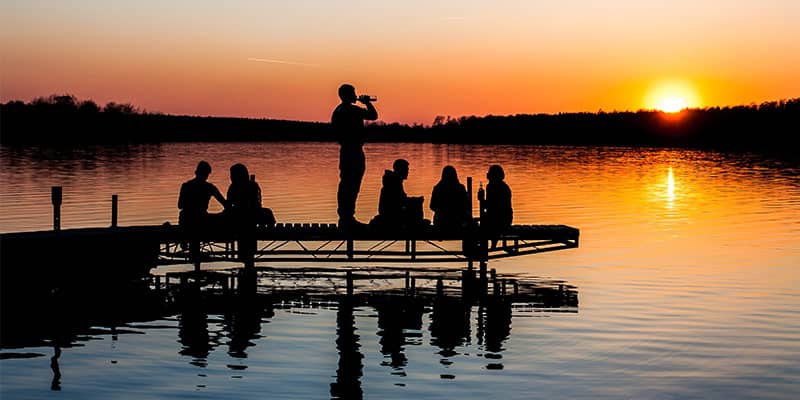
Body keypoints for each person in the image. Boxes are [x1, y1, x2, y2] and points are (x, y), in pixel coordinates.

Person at [331, 83, 378, 230]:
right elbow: (373, 115)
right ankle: (347, 219)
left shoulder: (338, 111)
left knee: (346, 184)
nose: (355, 95)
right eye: (353, 93)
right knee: (351, 185)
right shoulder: (351, 110)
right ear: (346, 95)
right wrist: (367, 103)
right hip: (353, 151)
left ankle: (345, 218)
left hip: (346, 151)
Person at [371, 159, 425, 229]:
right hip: (391, 215)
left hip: (391, 212)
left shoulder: (395, 181)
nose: (408, 172)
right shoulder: (394, 183)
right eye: (406, 169)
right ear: (400, 170)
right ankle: (417, 225)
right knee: (416, 204)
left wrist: (414, 200)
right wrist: (415, 201)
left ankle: (417, 223)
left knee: (416, 202)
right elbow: (400, 202)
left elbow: (401, 200)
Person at [178, 160, 227, 229]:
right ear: (206, 175)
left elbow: (180, 206)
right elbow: (225, 204)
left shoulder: (185, 186)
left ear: (196, 173)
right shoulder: (210, 187)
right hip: (201, 219)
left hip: (186, 219)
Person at [225, 163, 275, 229]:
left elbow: (229, 203)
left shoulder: (233, 187)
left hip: (240, 213)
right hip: (250, 213)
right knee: (268, 212)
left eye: (232, 175)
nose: (231, 177)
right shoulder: (252, 185)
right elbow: (257, 203)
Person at [481, 164, 513, 248]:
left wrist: (481, 200)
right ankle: (492, 244)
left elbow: (490, 206)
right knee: (486, 219)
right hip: (506, 219)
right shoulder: (504, 187)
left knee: (485, 220)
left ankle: (489, 245)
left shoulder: (492, 187)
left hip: (501, 219)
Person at [429, 165, 470, 230]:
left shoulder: (437, 188)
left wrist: (440, 210)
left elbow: (432, 206)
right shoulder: (460, 188)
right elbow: (466, 206)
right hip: (457, 222)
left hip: (440, 223)